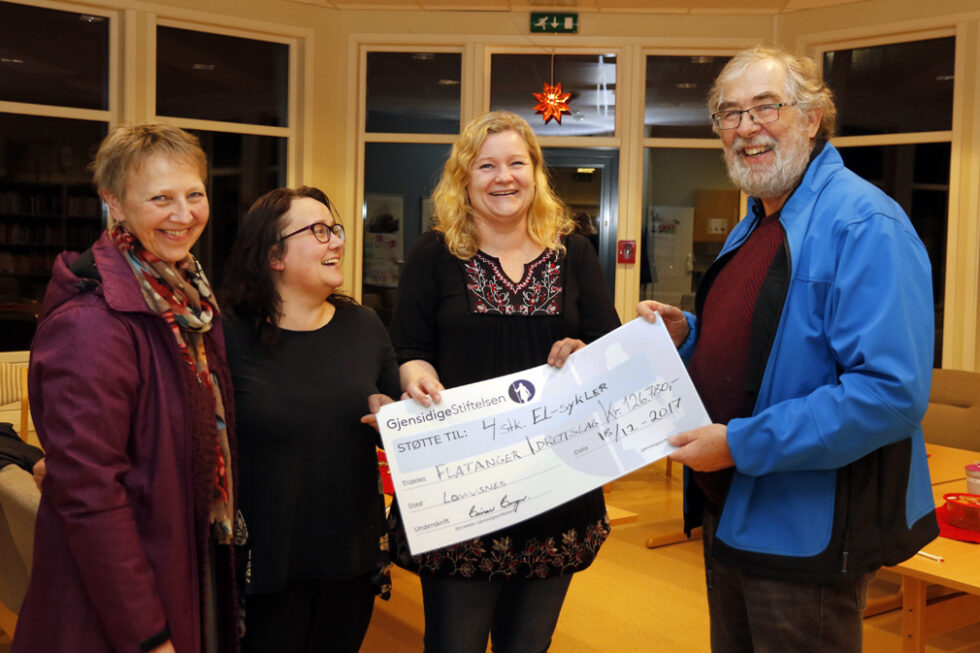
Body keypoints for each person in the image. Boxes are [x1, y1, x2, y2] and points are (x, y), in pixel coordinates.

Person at [637, 46, 939, 652]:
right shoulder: (757, 221)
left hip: (806, 536)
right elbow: (771, 343)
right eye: (730, 113)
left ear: (813, 118)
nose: (747, 127)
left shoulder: (863, 223)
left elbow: (889, 395)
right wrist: (690, 334)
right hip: (733, 515)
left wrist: (739, 444)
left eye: (765, 107)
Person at [386, 110, 621, 653]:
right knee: (454, 643)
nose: (504, 177)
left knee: (529, 644)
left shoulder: (575, 254)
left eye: (517, 163)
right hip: (461, 490)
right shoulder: (434, 253)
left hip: (555, 486)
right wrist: (418, 376)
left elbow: (607, 352)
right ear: (464, 178)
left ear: (535, 172)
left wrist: (585, 354)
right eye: (486, 165)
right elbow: (409, 349)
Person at [14, 123, 241, 653]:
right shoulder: (91, 322)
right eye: (160, 198)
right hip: (120, 604)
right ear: (113, 202)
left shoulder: (189, 300)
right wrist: (148, 636)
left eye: (194, 195)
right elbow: (89, 495)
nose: (184, 214)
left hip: (181, 560)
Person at [220, 186, 400, 653]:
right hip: (265, 565)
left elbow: (401, 426)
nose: (337, 240)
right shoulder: (228, 337)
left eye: (335, 229)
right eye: (319, 231)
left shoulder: (364, 326)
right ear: (273, 256)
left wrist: (394, 421)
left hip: (350, 561)